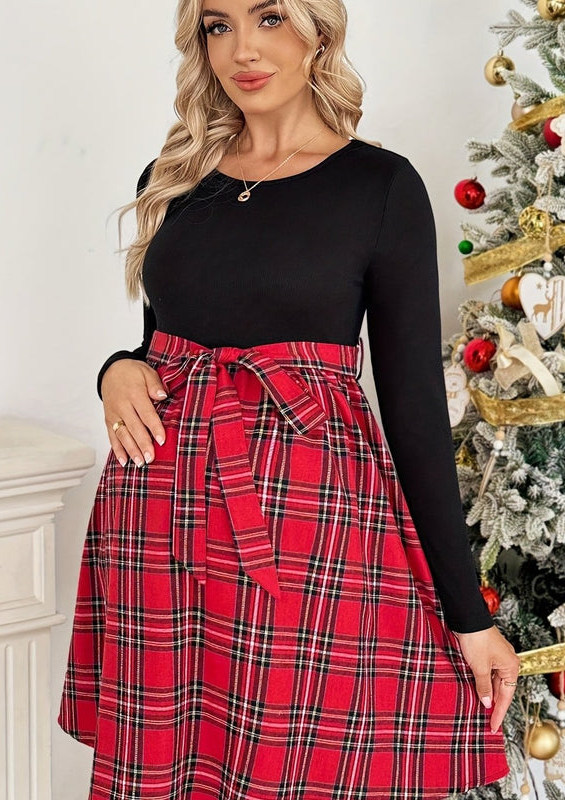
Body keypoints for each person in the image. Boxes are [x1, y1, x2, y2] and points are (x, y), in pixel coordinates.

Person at [58, 0, 521, 797]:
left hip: (307, 534)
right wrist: (116, 369)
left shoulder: (380, 186)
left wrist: (468, 613)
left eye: (269, 17)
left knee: (295, 767)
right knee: (165, 768)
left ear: (318, 31)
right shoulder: (173, 178)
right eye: (218, 25)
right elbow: (162, 344)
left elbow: (413, 409)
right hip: (157, 524)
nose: (242, 48)